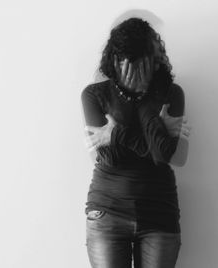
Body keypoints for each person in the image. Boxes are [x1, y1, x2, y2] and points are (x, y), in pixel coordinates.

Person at [80, 17, 192, 268]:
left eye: (142, 63)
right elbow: (106, 157)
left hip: (159, 213)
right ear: (116, 61)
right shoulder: (94, 95)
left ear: (154, 60)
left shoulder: (172, 94)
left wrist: (119, 131)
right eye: (127, 63)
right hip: (107, 213)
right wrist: (155, 131)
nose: (134, 71)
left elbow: (174, 157)